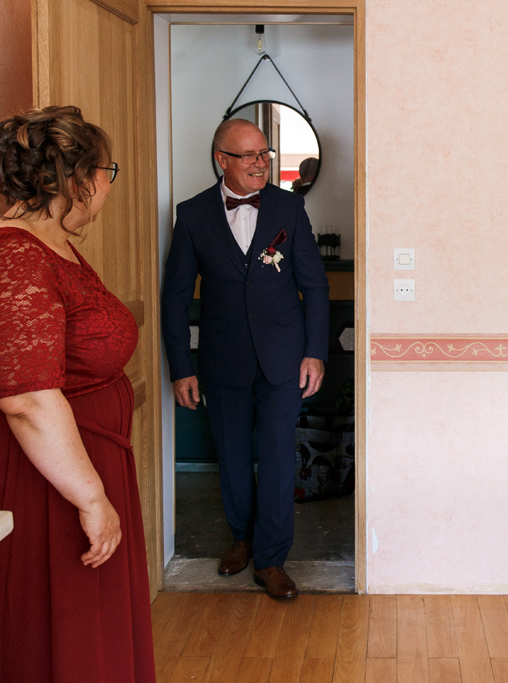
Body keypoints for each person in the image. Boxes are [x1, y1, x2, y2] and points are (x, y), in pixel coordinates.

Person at [0, 106, 154, 682]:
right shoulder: (14, 254)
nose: (109, 185)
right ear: (78, 178)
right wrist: (90, 499)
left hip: (83, 460)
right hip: (49, 479)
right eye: (109, 171)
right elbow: (27, 399)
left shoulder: (51, 245)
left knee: (93, 623)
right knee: (63, 630)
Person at [161, 119, 329, 598]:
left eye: (264, 154)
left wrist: (315, 352)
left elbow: (314, 285)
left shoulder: (289, 208)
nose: (261, 163)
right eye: (249, 155)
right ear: (221, 159)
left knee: (277, 457)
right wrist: (182, 367)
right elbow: (174, 299)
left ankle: (271, 559)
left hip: (284, 357)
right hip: (222, 358)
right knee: (232, 456)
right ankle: (242, 538)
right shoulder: (192, 215)